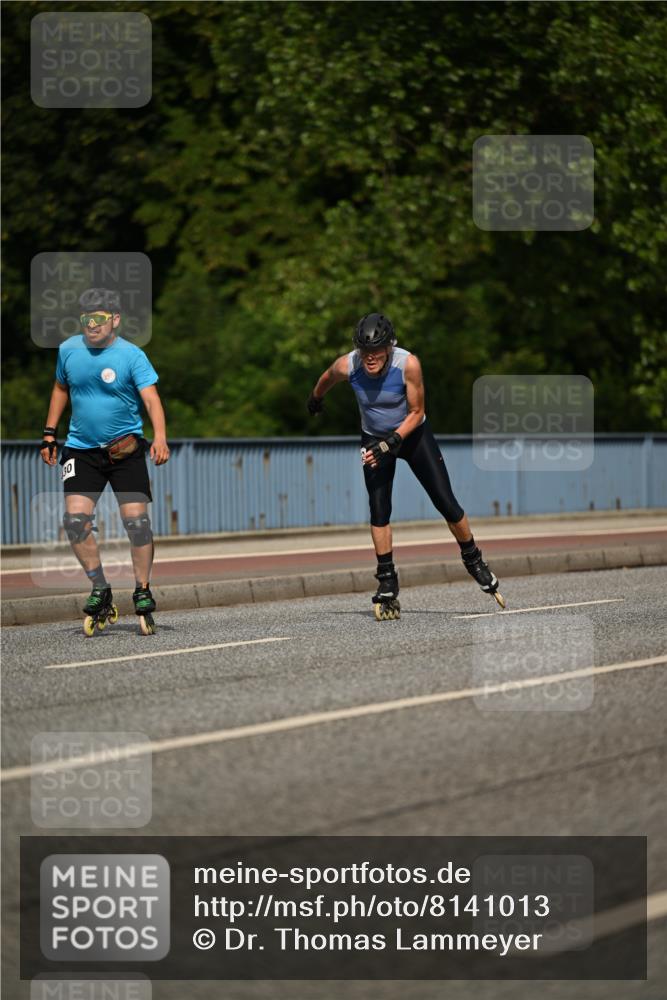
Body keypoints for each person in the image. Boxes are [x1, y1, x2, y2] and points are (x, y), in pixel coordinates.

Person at [307, 312, 504, 618]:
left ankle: (473, 558)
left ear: (389, 347)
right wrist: (316, 398)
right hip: (373, 438)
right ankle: (386, 579)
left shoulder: (407, 364)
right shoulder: (349, 364)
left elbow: (417, 411)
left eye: (376, 351)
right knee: (379, 508)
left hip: (412, 437)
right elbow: (327, 378)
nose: (370, 358)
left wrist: (393, 442)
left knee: (446, 502)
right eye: (365, 351)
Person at [39, 288, 170, 633]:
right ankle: (100, 587)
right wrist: (49, 433)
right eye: (85, 320)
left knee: (137, 523)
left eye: (98, 319)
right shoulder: (68, 350)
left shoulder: (132, 355)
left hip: (125, 451)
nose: (91, 326)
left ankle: (142, 589)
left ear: (115, 319)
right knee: (75, 521)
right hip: (81, 450)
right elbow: (60, 389)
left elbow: (152, 399)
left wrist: (159, 437)